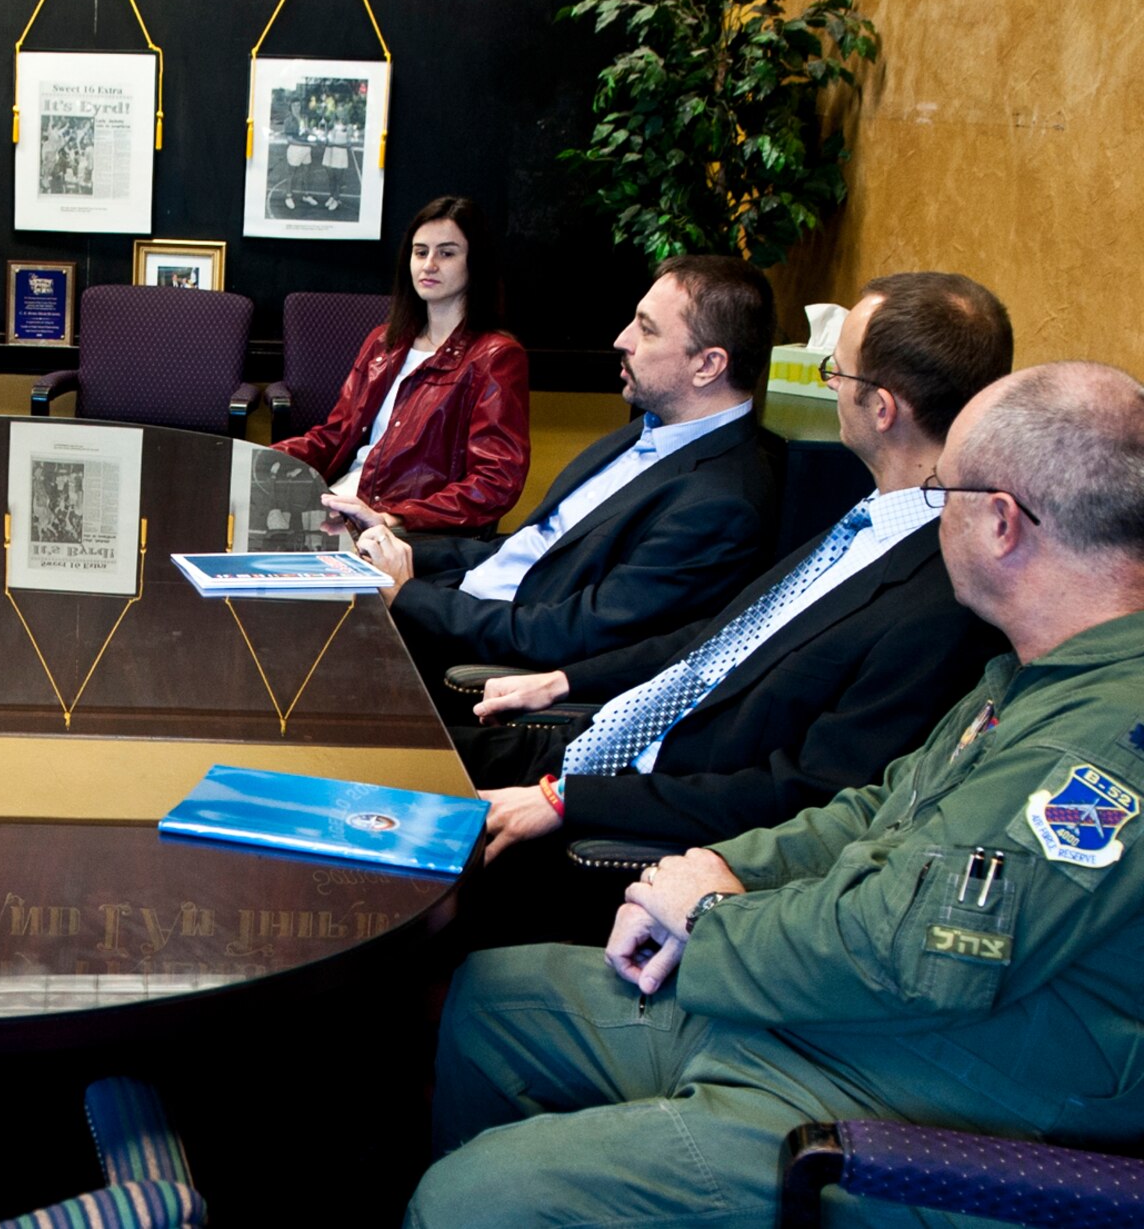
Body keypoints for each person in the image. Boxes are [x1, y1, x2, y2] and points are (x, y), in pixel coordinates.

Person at [411, 361, 1144, 1229]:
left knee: (470, 1200)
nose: (932, 505)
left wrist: (716, 920)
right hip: (833, 1017)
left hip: (920, 1097)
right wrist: (714, 864)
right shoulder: (1032, 673)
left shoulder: (1100, 742)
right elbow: (874, 809)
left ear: (1000, 523)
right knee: (492, 1003)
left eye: (946, 487)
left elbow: (913, 953)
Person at [469, 272, 1015, 878]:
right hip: (594, 747)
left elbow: (805, 794)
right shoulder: (868, 521)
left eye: (835, 373)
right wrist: (567, 681)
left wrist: (568, 800)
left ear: (882, 410)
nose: (829, 386)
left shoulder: (941, 604)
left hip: (640, 821)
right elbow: (719, 644)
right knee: (367, 756)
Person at [360, 254, 778, 674]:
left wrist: (407, 595)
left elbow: (565, 635)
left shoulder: (719, 507)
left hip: (479, 657)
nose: (622, 339)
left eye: (647, 330)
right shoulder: (647, 431)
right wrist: (387, 539)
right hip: (454, 604)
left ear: (707, 365)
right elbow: (518, 551)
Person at [271, 195, 531, 535]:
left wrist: (397, 519)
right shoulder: (384, 343)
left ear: (475, 263)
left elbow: (495, 482)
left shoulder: (496, 356)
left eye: (447, 253)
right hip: (341, 507)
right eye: (420, 252)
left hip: (405, 531)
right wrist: (262, 459)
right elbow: (336, 435)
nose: (429, 264)